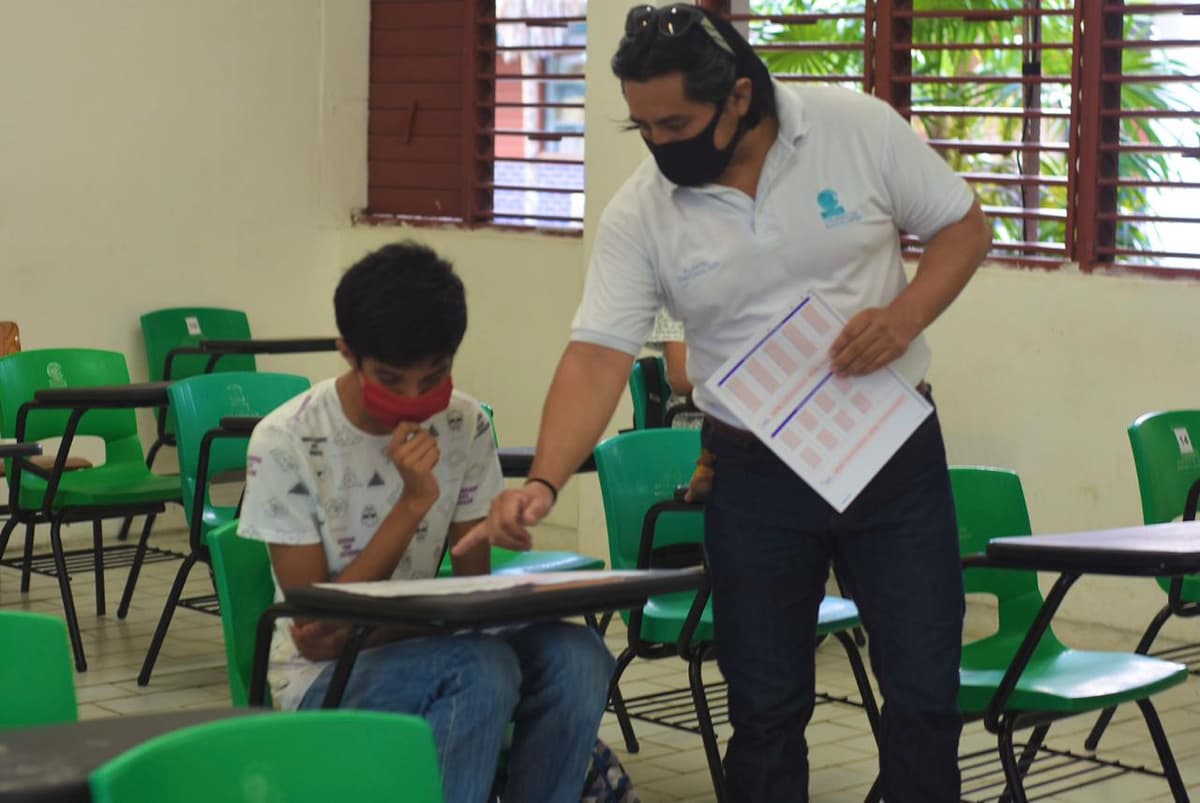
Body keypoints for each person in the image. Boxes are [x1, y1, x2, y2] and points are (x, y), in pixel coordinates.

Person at [456, 4, 992, 802]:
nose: (660, 143)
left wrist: (903, 317)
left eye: (676, 122)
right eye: (642, 127)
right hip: (755, 469)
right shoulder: (641, 211)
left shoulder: (855, 128)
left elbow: (964, 227)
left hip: (888, 452)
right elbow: (598, 353)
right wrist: (547, 479)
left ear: (739, 97)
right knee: (766, 706)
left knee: (923, 693)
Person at [238, 241, 615, 803]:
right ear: (347, 353)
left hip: (434, 637)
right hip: (324, 680)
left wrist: (492, 533)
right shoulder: (286, 440)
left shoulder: (464, 422)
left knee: (580, 656)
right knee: (479, 669)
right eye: (391, 381)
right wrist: (411, 505)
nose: (415, 400)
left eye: (433, 377)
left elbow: (470, 595)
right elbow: (318, 637)